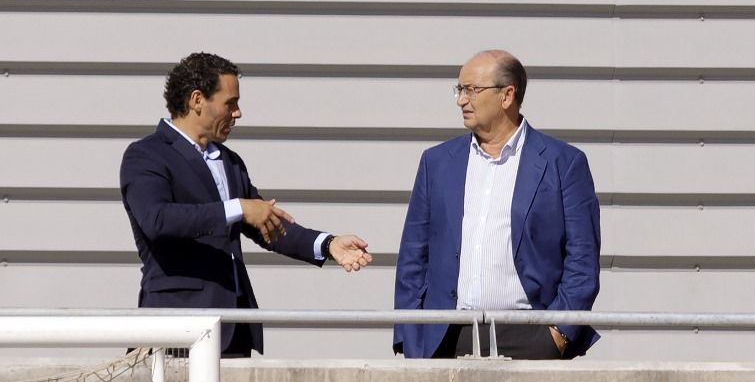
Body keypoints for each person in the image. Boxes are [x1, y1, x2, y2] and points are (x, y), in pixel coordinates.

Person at [119, 52, 371, 357]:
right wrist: (238, 207)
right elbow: (157, 220)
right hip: (176, 329)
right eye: (230, 103)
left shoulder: (229, 161)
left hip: (233, 328)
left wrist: (328, 244)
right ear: (197, 100)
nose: (237, 113)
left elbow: (267, 223)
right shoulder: (147, 155)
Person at [393, 50, 600, 359]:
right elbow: (413, 256)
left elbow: (582, 259)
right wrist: (410, 336)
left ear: (507, 95)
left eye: (471, 90)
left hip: (531, 335)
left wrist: (558, 333)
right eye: (459, 89)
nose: (461, 100)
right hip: (445, 336)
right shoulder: (437, 163)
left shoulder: (563, 163)